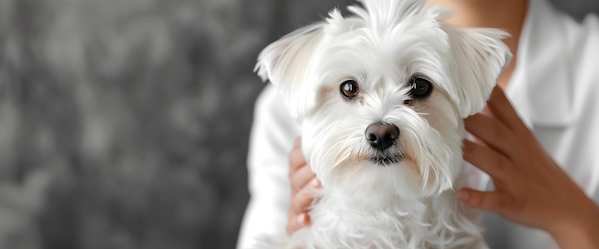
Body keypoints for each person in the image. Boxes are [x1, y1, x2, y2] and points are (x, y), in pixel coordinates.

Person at [237, 0, 599, 248]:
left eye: (419, 89)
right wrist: (300, 233)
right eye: (350, 90)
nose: (381, 126)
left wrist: (576, 219)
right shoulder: (287, 109)